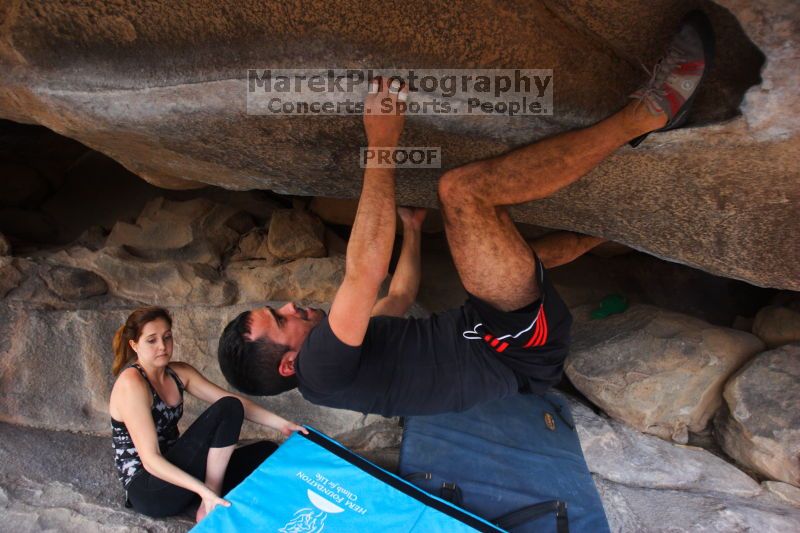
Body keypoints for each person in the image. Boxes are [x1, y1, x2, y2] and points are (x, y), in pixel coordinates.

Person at [218, 13, 713, 416]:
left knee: (511, 261)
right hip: (514, 345)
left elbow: (400, 293)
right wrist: (382, 141)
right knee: (462, 191)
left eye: (276, 307)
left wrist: (412, 231)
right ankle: (649, 113)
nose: (290, 307)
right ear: (288, 365)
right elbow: (364, 273)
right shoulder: (321, 366)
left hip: (495, 333)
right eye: (280, 320)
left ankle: (602, 234)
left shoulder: (343, 365)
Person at [109, 306, 306, 522]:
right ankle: (209, 501)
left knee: (266, 451)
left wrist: (282, 424)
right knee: (228, 408)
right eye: (151, 340)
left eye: (167, 337)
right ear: (134, 344)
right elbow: (150, 460)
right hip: (150, 489)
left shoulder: (178, 373)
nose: (162, 346)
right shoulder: (132, 383)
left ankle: (208, 496)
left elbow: (237, 403)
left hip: (178, 476)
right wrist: (204, 491)